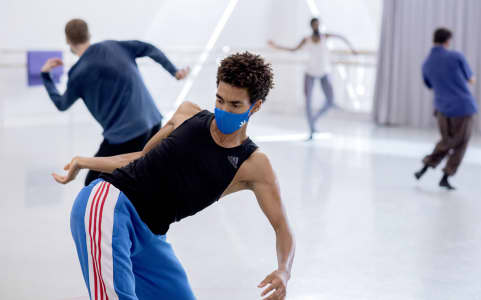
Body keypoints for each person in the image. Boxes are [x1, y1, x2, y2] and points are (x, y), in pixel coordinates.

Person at [52, 52, 295, 300]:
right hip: (110, 204)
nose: (223, 110)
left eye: (234, 105)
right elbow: (140, 158)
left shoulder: (254, 165)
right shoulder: (187, 114)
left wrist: (284, 271)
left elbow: (282, 227)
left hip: (151, 235)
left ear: (255, 107)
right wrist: (85, 162)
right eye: (219, 100)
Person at [41, 18, 190, 186]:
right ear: (89, 34)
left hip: (125, 136)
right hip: (153, 123)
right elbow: (150, 48)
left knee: (93, 183)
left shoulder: (77, 74)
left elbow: (61, 104)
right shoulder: (114, 46)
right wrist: (174, 71)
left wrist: (46, 76)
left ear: (68, 40)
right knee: (139, 174)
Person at [268, 17, 357, 139]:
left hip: (324, 73)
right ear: (311, 26)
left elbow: (342, 38)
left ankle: (314, 119)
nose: (316, 26)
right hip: (310, 73)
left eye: (318, 24)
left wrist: (352, 48)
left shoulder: (325, 36)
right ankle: (311, 129)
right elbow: (293, 50)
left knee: (331, 100)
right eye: (314, 25)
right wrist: (276, 46)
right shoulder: (307, 39)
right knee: (308, 102)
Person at [414, 28, 477, 190]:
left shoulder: (426, 63)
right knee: (460, 143)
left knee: (447, 140)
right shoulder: (456, 56)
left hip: (442, 108)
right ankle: (445, 176)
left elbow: (429, 85)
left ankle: (425, 168)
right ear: (448, 40)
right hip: (462, 107)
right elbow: (470, 79)